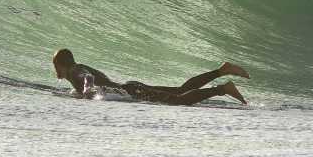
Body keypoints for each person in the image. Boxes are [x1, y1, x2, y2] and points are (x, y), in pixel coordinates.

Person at [51, 48, 249, 105]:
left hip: (130, 91)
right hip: (130, 88)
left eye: (55, 66)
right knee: (180, 91)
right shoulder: (77, 69)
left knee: (179, 101)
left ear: (60, 65)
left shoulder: (75, 70)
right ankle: (221, 70)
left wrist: (87, 88)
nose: (55, 71)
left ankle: (223, 88)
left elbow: (87, 78)